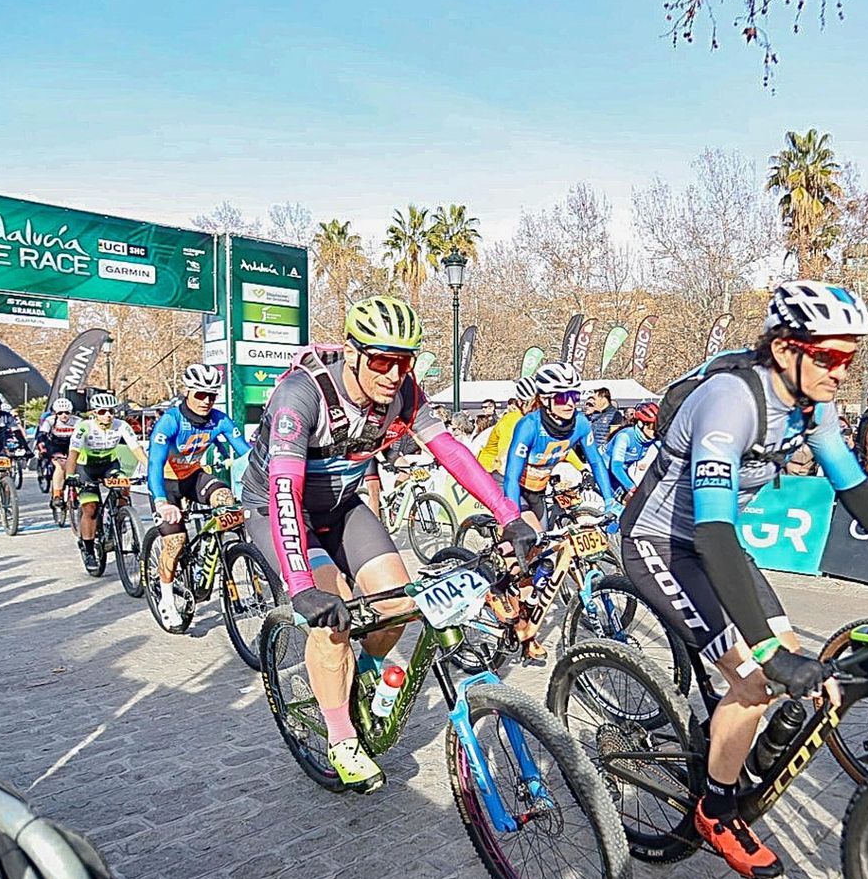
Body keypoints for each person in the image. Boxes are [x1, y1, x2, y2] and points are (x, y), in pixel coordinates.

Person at [622, 280, 868, 879]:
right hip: (661, 541)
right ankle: (716, 807)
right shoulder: (730, 400)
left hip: (716, 541)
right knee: (758, 675)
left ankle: (723, 737)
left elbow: (855, 489)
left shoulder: (814, 404)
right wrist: (762, 653)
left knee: (791, 661)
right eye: (830, 357)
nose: (842, 372)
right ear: (786, 350)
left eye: (850, 358)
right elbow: (712, 534)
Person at [240, 296, 535, 793]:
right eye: (381, 359)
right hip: (278, 511)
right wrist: (301, 587)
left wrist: (509, 515)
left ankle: (365, 671)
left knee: (401, 603)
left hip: (342, 506)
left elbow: (452, 454)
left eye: (405, 360)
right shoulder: (301, 394)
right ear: (352, 353)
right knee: (333, 619)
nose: (394, 372)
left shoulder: (404, 394)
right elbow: (284, 492)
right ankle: (340, 738)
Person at [147, 365, 252, 627]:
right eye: (201, 395)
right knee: (176, 540)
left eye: (212, 396)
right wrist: (161, 502)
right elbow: (154, 465)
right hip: (166, 483)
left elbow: (246, 455)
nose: (206, 401)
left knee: (226, 500)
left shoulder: (219, 419)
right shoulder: (170, 421)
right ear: (188, 392)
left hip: (193, 476)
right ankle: (168, 598)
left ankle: (206, 554)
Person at [504, 362, 618, 528]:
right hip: (510, 484)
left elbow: (595, 461)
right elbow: (511, 477)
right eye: (562, 397)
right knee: (526, 537)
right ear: (544, 399)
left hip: (537, 491)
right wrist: (513, 522)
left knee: (545, 546)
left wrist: (609, 500)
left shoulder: (580, 423)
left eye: (574, 396)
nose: (570, 403)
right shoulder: (529, 425)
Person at [64, 393, 148, 571]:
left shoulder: (121, 426)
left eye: (111, 411)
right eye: (103, 411)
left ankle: (120, 516)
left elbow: (136, 449)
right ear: (95, 412)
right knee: (91, 508)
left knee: (123, 484)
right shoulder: (83, 427)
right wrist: (70, 476)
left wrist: (150, 469)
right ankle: (88, 551)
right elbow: (73, 454)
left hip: (109, 464)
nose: (108, 415)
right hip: (86, 468)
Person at [477, 376, 540, 478]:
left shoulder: (535, 419)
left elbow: (562, 447)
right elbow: (505, 455)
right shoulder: (512, 420)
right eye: (533, 404)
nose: (537, 409)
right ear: (520, 402)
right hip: (491, 472)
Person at [35, 399, 80, 508]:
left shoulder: (78, 421)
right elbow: (42, 434)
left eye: (67, 413)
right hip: (55, 446)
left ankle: (76, 492)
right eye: (60, 413)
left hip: (71, 445)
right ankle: (57, 494)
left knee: (78, 466)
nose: (64, 415)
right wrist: (41, 444)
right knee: (61, 466)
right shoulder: (50, 420)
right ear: (56, 413)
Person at [606, 401, 657, 493]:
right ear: (641, 424)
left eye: (657, 426)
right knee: (629, 500)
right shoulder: (625, 437)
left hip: (622, 473)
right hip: (606, 471)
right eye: (652, 426)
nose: (655, 430)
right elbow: (616, 467)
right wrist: (632, 488)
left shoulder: (650, 438)